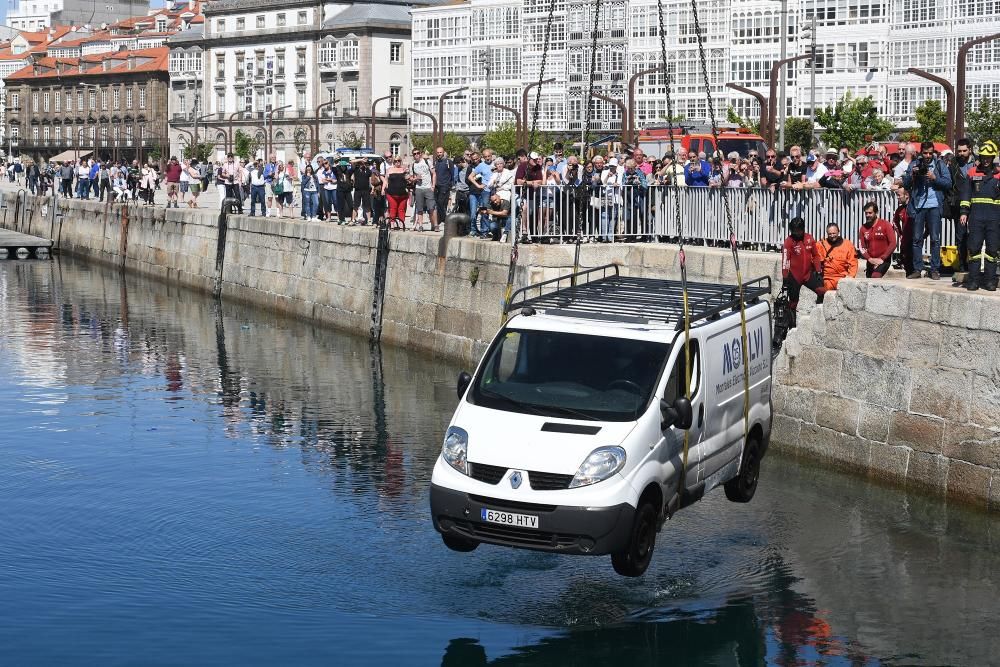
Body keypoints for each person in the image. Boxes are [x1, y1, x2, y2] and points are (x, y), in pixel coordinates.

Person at [903, 141, 952, 280]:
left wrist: (934, 178)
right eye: (925, 153)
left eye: (930, 153)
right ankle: (917, 269)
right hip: (919, 205)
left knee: (935, 239)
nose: (928, 155)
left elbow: (948, 183)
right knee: (917, 239)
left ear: (933, 152)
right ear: (921, 152)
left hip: (935, 205)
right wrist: (912, 175)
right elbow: (906, 184)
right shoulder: (914, 164)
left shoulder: (939, 164)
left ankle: (935, 269)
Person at [958, 139, 1000, 291]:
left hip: (994, 219)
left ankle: (990, 281)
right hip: (976, 218)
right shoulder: (972, 173)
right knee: (974, 249)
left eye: (989, 157)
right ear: (980, 157)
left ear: (993, 157)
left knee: (992, 251)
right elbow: (965, 195)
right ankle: (973, 281)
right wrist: (964, 212)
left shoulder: (999, 175)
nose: (986, 160)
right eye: (983, 157)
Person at [781, 217, 825, 321]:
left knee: (822, 291)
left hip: (808, 275)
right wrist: (785, 277)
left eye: (798, 231)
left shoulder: (809, 238)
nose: (796, 233)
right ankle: (792, 325)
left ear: (803, 229)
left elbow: (815, 256)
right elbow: (785, 261)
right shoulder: (789, 241)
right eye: (794, 231)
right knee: (793, 303)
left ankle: (820, 316)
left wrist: (818, 271)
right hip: (794, 277)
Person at [858, 202, 897, 278]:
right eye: (866, 213)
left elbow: (893, 243)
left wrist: (882, 258)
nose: (867, 215)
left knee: (875, 276)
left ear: (876, 213)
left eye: (870, 213)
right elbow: (862, 247)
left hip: (883, 260)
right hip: (870, 261)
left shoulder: (885, 225)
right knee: (868, 282)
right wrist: (869, 259)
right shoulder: (863, 228)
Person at [816, 222, 858, 292]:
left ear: (838, 232)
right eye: (830, 234)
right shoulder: (821, 245)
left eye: (834, 233)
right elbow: (815, 260)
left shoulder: (848, 244)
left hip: (843, 278)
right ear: (827, 233)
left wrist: (850, 277)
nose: (832, 236)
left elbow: (853, 263)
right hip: (827, 278)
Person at [385, 156, 409, 229]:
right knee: (393, 208)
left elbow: (408, 179)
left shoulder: (404, 169)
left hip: (403, 194)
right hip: (391, 193)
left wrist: (407, 172)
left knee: (401, 209)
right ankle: (392, 223)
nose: (397, 162)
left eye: (399, 161)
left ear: (401, 161)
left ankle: (401, 223)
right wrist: (383, 189)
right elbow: (386, 181)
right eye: (395, 161)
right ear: (393, 162)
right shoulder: (389, 169)